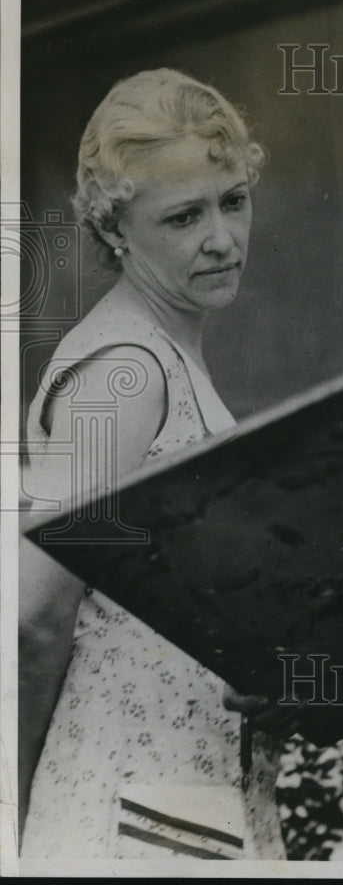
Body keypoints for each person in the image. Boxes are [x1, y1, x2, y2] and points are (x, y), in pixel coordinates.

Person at [19, 68, 285, 859]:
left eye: (232, 201)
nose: (221, 239)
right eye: (182, 216)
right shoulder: (120, 370)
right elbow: (35, 619)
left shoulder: (167, 358)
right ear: (113, 231)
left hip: (186, 796)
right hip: (125, 806)